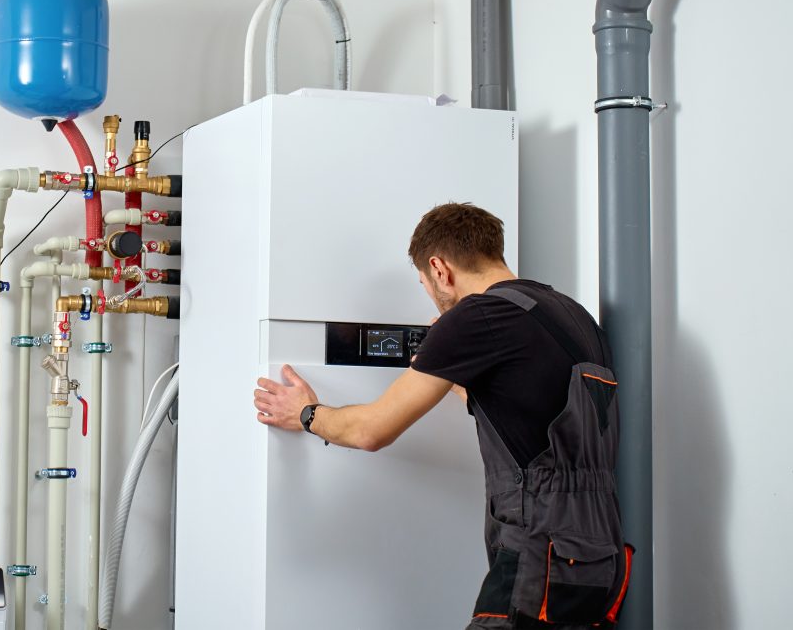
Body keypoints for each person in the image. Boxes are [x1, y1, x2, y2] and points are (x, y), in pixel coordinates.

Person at [252, 202, 633, 630]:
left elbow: (371, 431)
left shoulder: (477, 316)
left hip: (539, 559)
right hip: (600, 557)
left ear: (439, 269)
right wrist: (453, 368)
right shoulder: (570, 314)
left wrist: (305, 412)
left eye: (423, 283)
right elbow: (532, 412)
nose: (431, 293)